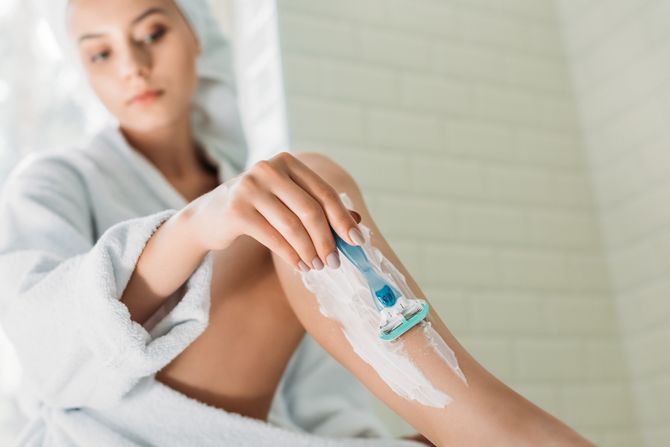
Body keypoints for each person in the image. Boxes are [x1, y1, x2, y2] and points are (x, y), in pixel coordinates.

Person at [0, 0, 596, 446]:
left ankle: (478, 429)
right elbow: (47, 352)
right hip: (108, 431)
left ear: (197, 33)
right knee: (298, 187)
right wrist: (193, 229)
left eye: (153, 31)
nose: (133, 66)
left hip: (248, 431)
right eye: (100, 52)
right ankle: (510, 432)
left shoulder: (243, 183)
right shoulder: (51, 181)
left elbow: (317, 386)